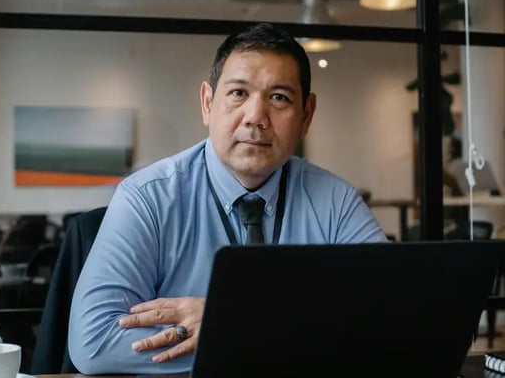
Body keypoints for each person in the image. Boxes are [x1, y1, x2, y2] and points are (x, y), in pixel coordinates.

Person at [68, 22, 387, 374]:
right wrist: (291, 331)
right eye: (238, 94)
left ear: (306, 115)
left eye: (279, 97)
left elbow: (392, 317)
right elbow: (93, 341)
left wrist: (234, 322)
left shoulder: (334, 200)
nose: (255, 117)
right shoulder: (148, 198)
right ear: (208, 103)